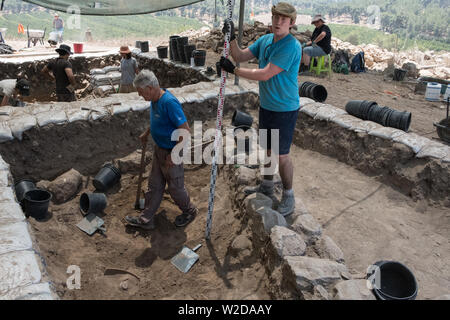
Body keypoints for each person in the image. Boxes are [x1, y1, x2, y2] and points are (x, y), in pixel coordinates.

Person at [219, 2, 301, 216]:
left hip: (284, 109)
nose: (278, 22)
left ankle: (289, 195)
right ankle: (266, 185)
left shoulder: (291, 46)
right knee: (268, 150)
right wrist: (232, 36)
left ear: (291, 23)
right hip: (267, 106)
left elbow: (265, 73)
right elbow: (239, 55)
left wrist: (234, 71)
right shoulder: (265, 40)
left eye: (284, 19)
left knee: (281, 155)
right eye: (276, 17)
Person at [125, 70, 198, 230]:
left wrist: (174, 155)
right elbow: (158, 121)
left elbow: (185, 131)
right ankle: (146, 220)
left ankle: (190, 211)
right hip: (159, 150)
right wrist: (147, 132)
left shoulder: (169, 102)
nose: (140, 96)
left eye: (141, 92)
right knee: (155, 185)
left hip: (172, 152)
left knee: (175, 188)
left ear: (150, 88)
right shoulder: (154, 100)